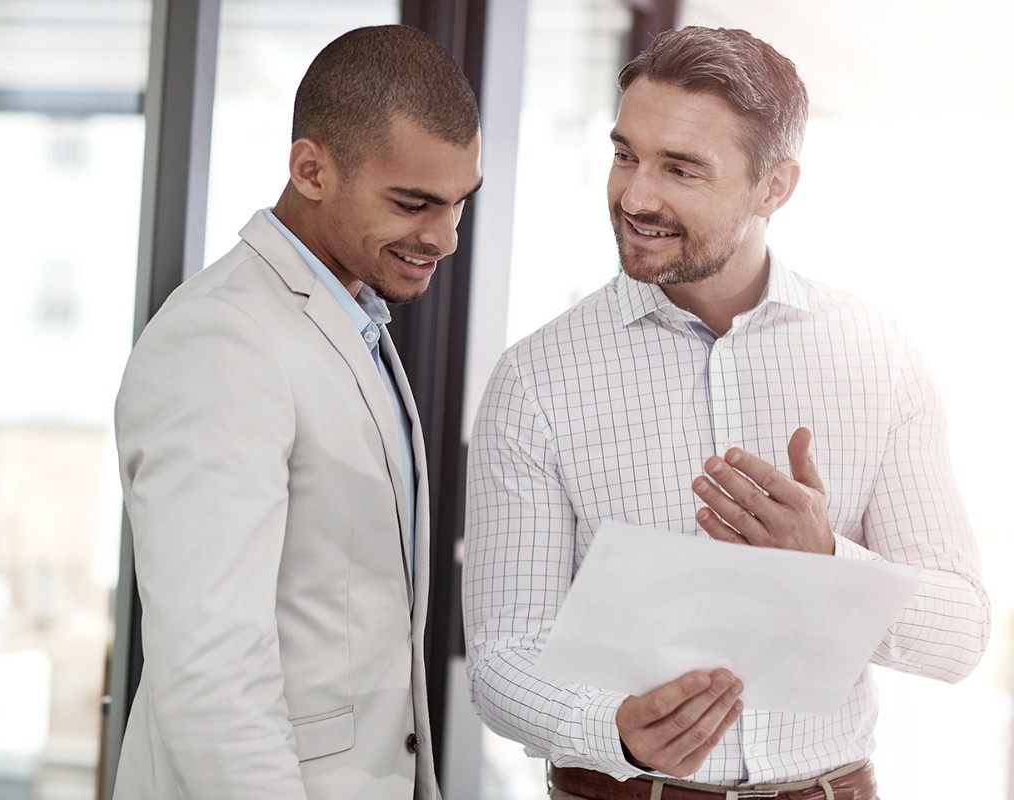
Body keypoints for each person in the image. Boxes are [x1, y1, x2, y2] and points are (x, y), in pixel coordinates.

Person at [463, 25, 989, 800]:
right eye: (625, 154)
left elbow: (961, 636)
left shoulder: (880, 355)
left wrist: (829, 563)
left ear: (774, 187)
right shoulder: (537, 379)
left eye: (680, 168)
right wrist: (611, 727)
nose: (635, 196)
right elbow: (502, 659)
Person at [112, 24, 482, 800]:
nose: (444, 237)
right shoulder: (223, 341)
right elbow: (211, 671)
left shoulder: (355, 319)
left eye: (457, 204)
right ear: (310, 169)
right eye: (413, 202)